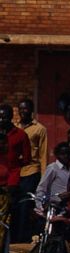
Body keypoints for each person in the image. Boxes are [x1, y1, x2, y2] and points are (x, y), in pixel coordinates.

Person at [14, 98, 47, 242]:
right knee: (15, 204)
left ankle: (24, 236)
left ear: (31, 110)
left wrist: (44, 178)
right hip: (15, 172)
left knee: (26, 206)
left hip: (31, 171)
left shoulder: (39, 129)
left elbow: (43, 155)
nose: (23, 112)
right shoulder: (14, 128)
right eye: (20, 109)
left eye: (26, 109)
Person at [0, 104, 31, 244]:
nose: (1, 120)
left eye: (4, 117)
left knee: (8, 218)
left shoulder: (20, 135)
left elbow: (26, 158)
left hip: (11, 182)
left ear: (11, 117)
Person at [34, 142, 70, 215]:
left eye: (68, 154)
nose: (66, 156)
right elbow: (42, 187)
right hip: (54, 207)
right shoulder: (53, 168)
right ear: (57, 155)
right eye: (63, 154)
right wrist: (40, 205)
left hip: (67, 208)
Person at [0, 133, 13, 253]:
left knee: (3, 241)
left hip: (5, 203)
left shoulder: (8, 160)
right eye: (2, 143)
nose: (5, 146)